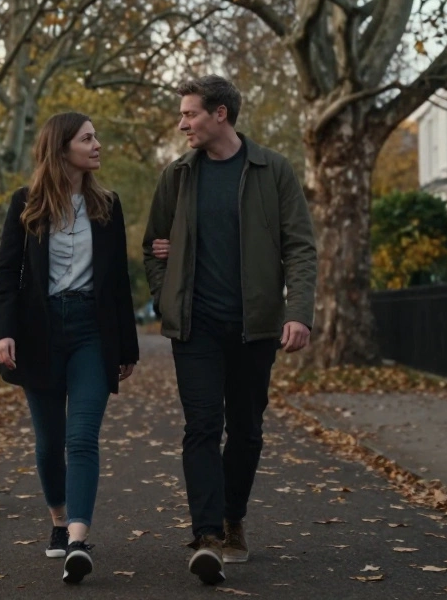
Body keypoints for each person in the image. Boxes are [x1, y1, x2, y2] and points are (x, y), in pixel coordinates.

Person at [142, 75, 317, 585]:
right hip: (194, 328)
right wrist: (164, 293)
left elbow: (300, 247)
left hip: (254, 328)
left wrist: (298, 312)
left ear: (220, 114)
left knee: (245, 429)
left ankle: (232, 516)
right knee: (200, 427)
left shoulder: (272, 170)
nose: (182, 124)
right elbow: (153, 243)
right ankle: (206, 536)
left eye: (190, 114)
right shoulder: (177, 175)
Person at [0, 111, 141, 584]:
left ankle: (78, 539)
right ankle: (58, 521)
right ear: (62, 148)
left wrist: (127, 346)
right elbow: (6, 276)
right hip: (40, 333)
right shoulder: (26, 203)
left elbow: (118, 282)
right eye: (88, 138)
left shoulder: (108, 206)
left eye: (96, 137)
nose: (98, 145)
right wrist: (3, 331)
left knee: (81, 438)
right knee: (50, 442)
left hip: (92, 333)